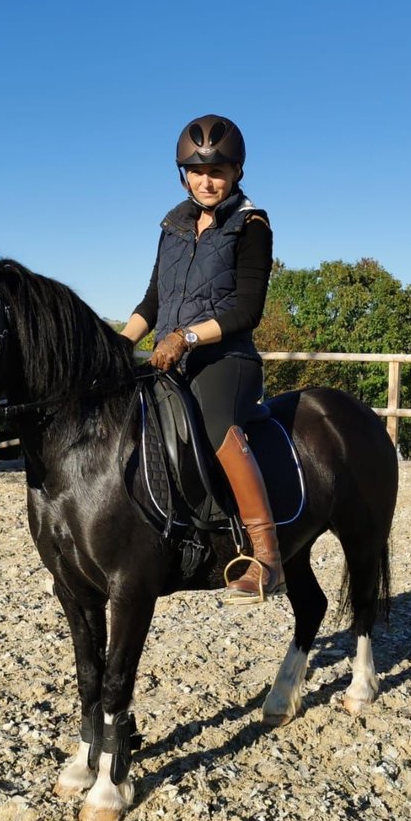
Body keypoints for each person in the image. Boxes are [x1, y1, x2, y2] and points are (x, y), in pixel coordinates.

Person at [119, 114, 284, 599]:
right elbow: (153, 300)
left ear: (236, 172)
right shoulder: (172, 226)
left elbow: (246, 310)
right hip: (169, 356)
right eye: (196, 171)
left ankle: (266, 555)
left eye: (217, 171)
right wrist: (122, 342)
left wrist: (186, 338)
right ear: (182, 173)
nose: (206, 181)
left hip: (225, 359)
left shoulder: (251, 225)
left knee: (213, 427)